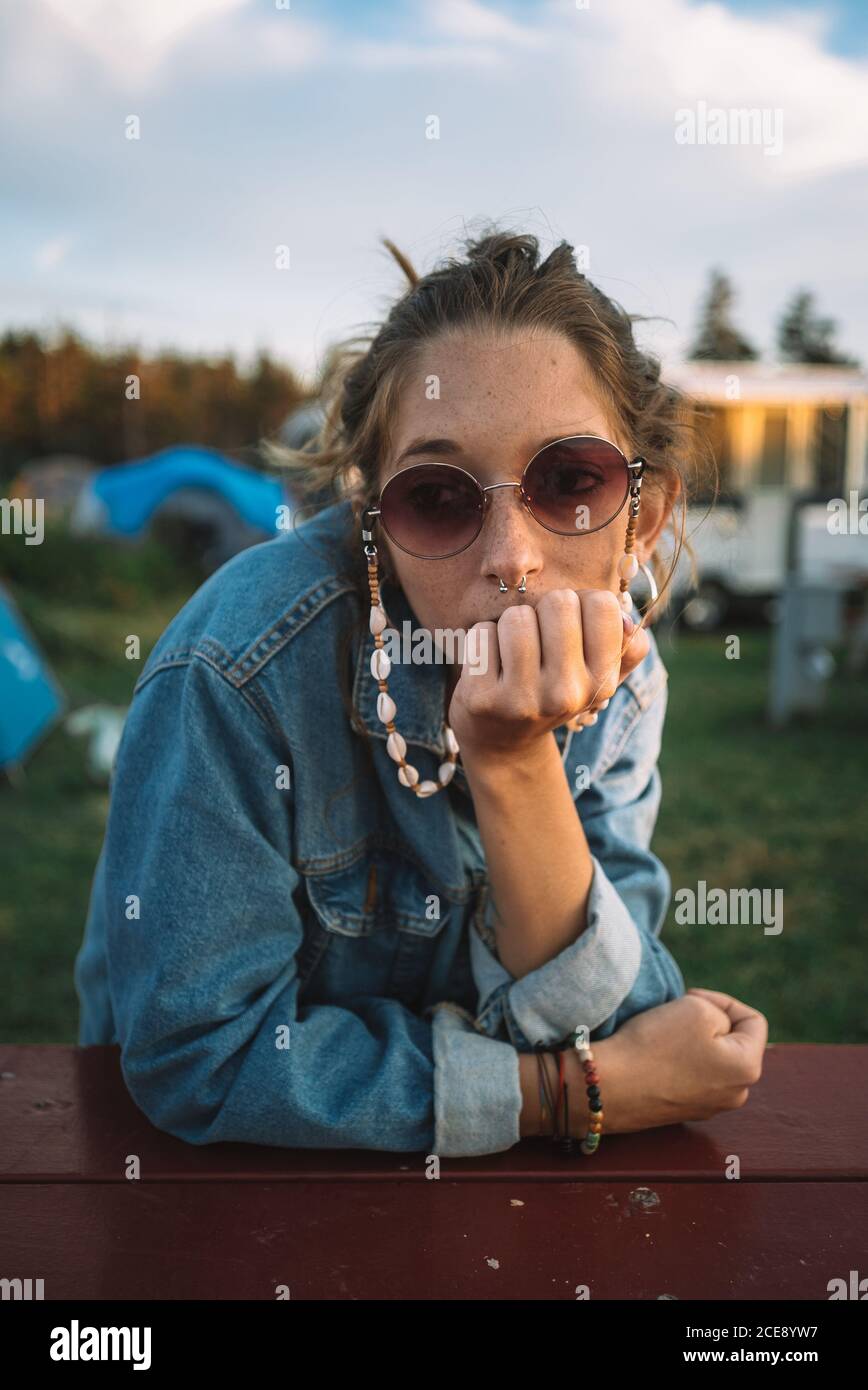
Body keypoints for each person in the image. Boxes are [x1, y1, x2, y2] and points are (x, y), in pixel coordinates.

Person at [74, 229, 767, 1156]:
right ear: (374, 527)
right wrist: (564, 1094)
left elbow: (615, 1011)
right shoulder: (239, 673)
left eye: (569, 482)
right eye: (438, 497)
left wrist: (514, 764)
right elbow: (200, 1059)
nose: (511, 556)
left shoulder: (625, 688)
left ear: (643, 517)